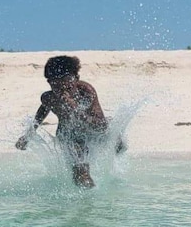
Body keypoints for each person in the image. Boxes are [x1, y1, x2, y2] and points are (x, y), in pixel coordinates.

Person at [15, 55, 124, 188]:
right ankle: (88, 203)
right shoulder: (49, 97)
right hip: (70, 136)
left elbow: (100, 126)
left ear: (76, 79)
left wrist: (75, 109)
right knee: (80, 173)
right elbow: (43, 110)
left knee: (115, 139)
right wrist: (28, 134)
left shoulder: (85, 91)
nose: (62, 91)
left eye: (67, 86)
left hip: (93, 128)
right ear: (49, 83)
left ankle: (118, 146)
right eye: (56, 86)